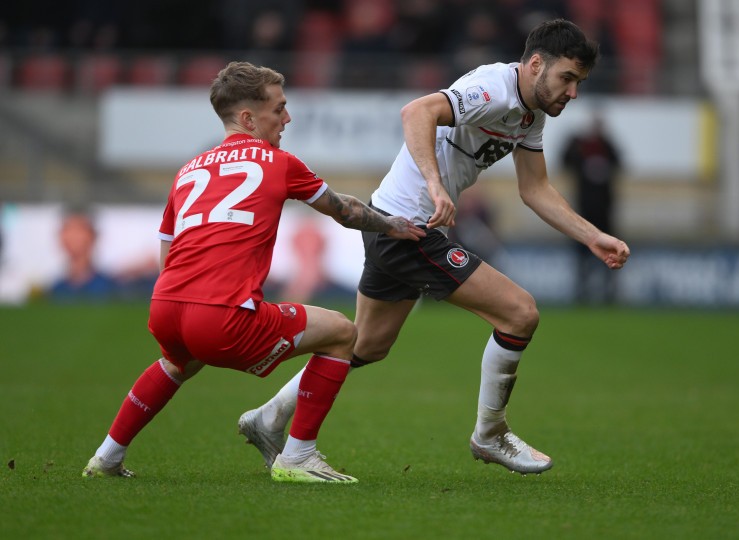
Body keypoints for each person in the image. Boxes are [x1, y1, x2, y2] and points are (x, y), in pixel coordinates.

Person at [240, 18, 630, 475]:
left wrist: (592, 235)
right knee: (520, 313)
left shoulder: (532, 113)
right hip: (410, 226)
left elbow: (535, 188)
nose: (573, 92)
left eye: (579, 82)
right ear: (536, 64)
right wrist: (435, 184)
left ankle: (269, 418)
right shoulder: (495, 88)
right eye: (567, 78)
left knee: (366, 344)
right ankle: (490, 433)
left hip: (391, 220)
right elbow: (416, 112)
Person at [81, 61, 425, 483]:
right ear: (247, 118)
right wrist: (393, 225)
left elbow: (166, 251)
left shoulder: (188, 171)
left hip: (166, 307)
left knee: (177, 361)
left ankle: (107, 457)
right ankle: (298, 456)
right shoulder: (278, 162)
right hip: (223, 317)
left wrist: (187, 302)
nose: (287, 117)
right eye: (278, 108)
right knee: (341, 332)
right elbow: (345, 210)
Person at [562, 114, 621, 304]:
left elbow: (620, 162)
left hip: (604, 212)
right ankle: (582, 292)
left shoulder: (607, 147)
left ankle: (608, 293)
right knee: (582, 255)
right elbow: (565, 161)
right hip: (583, 212)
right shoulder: (580, 147)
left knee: (608, 255)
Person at [48, 209, 119, 302]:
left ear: (93, 235)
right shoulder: (55, 290)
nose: (72, 236)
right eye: (67, 229)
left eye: (79, 229)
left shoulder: (110, 289)